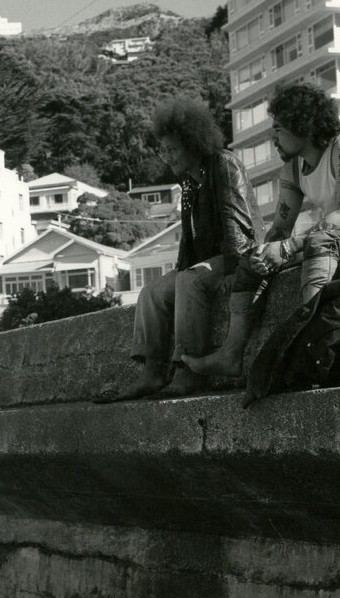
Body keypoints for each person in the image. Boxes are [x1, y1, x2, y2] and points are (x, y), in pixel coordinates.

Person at [183, 82, 340, 380]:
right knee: (251, 264)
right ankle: (230, 356)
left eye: (278, 128)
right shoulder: (293, 168)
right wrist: (264, 253)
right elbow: (279, 228)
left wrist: (288, 249)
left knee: (319, 243)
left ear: (302, 123)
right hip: (339, 238)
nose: (273, 137)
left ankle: (309, 347)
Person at [94, 97, 261, 403]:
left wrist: (235, 269)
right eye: (164, 149)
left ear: (194, 143)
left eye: (172, 149)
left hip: (240, 255)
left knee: (189, 280)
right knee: (151, 293)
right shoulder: (189, 183)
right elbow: (189, 240)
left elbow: (236, 221)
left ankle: (189, 368)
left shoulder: (224, 164)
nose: (166, 156)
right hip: (209, 261)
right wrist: (182, 268)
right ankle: (152, 372)